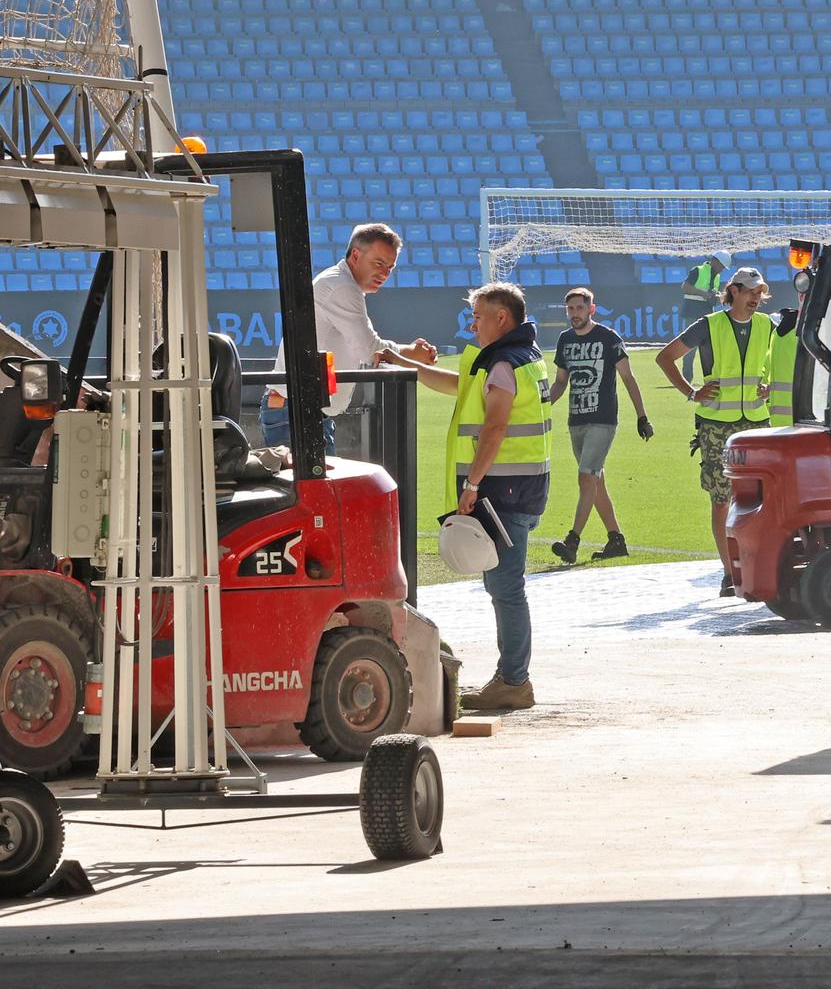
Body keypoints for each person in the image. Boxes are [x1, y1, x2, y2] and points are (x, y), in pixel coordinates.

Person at [386, 282, 549, 712]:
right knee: (505, 586)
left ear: (501, 318)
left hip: (502, 491)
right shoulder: (520, 358)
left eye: (478, 316)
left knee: (506, 588)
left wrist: (472, 484)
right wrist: (401, 363)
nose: (472, 324)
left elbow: (494, 428)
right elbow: (461, 386)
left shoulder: (502, 362)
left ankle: (514, 681)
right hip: (524, 487)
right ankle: (512, 677)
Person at [261, 222, 436, 454]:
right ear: (355, 255)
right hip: (297, 414)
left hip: (299, 411)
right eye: (378, 263)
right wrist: (413, 354)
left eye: (390, 267)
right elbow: (371, 350)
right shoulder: (342, 287)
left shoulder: (340, 283)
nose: (384, 273)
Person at [654, 266, 775, 596]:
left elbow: (779, 364)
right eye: (750, 291)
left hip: (756, 423)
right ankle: (729, 572)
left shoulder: (768, 325)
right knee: (721, 500)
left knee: (763, 500)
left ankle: (757, 564)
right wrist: (691, 392)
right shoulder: (708, 325)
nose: (756, 297)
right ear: (733, 291)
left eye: (759, 291)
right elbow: (665, 358)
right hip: (715, 427)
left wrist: (770, 387)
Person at [546, 287, 655, 565]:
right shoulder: (565, 340)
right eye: (570, 309)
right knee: (595, 483)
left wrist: (642, 416)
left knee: (586, 478)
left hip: (603, 419)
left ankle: (572, 541)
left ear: (591, 309)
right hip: (576, 419)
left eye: (579, 308)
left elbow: (628, 378)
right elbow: (560, 382)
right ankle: (615, 539)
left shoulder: (608, 338)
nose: (574, 314)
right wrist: (541, 406)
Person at [677, 255, 726, 379]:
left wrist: (717, 296)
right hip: (692, 312)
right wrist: (703, 293)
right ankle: (687, 378)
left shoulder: (717, 276)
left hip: (707, 313)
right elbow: (685, 287)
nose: (722, 269)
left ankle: (710, 377)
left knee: (709, 347)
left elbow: (711, 293)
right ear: (714, 261)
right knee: (690, 347)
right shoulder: (697, 270)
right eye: (721, 266)